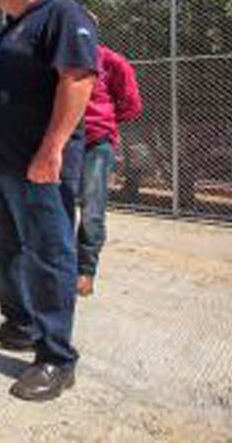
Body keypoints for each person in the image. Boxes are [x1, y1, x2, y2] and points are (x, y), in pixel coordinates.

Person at [0, 0, 97, 402]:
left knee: (48, 255)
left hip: (37, 165)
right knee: (3, 249)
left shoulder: (61, 14)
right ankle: (19, 326)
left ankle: (57, 358)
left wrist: (52, 147)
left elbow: (78, 78)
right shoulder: (9, 29)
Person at [77, 40, 142, 296]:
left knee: (92, 208)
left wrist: (104, 123)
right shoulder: (57, 58)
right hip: (61, 141)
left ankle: (85, 270)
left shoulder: (111, 60)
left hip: (95, 143)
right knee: (56, 207)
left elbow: (131, 103)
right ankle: (60, 266)